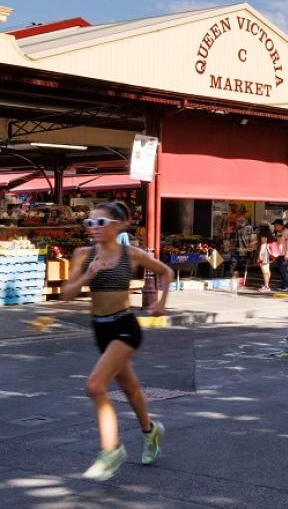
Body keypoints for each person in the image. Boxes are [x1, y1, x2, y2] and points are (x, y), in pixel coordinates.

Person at [61, 202, 174, 481]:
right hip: (100, 329)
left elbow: (166, 272)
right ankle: (150, 431)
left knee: (95, 386)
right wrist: (88, 275)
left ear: (119, 225)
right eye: (89, 223)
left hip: (125, 327)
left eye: (100, 223)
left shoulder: (131, 254)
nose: (94, 228)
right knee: (130, 388)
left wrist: (161, 302)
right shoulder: (83, 254)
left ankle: (111, 450)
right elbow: (66, 294)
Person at [271, 219, 288, 290]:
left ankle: (286, 285)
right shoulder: (278, 232)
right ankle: (283, 284)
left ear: (280, 225)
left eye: (275, 225)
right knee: (281, 270)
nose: (274, 226)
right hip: (278, 253)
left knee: (284, 270)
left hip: (284, 253)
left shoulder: (286, 232)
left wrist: (287, 253)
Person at [256, 227, 272, 293]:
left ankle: (266, 286)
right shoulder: (268, 232)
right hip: (266, 252)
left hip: (264, 252)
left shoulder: (263, 233)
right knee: (267, 270)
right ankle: (267, 285)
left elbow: (264, 244)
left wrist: (260, 254)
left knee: (264, 270)